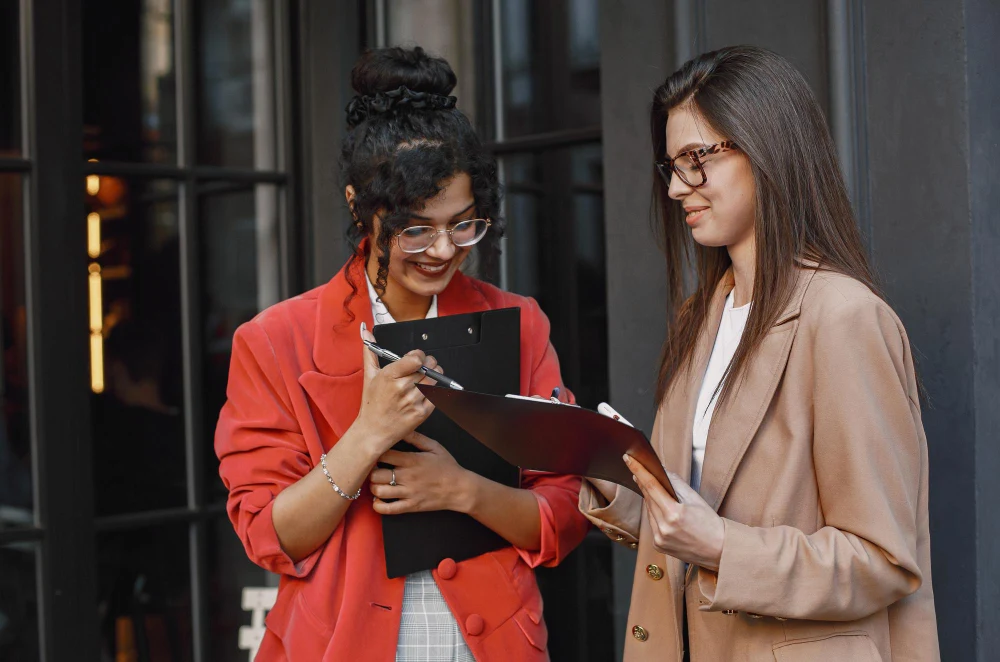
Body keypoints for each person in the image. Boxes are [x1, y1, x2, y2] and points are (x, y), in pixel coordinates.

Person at [215, 46, 588, 661]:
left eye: (464, 224)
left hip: (489, 643)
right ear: (361, 205)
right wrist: (367, 435)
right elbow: (269, 536)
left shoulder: (518, 323)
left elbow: (567, 513)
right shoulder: (274, 340)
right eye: (416, 229)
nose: (443, 250)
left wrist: (461, 489)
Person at [581, 46, 938, 661]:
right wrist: (605, 470)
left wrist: (721, 546)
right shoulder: (702, 317)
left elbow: (882, 561)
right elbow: (691, 524)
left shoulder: (843, 318)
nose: (675, 187)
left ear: (768, 149)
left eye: (696, 160)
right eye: (670, 166)